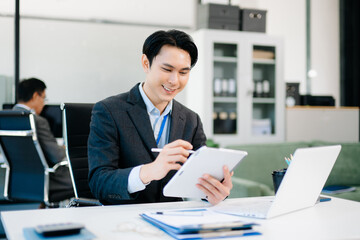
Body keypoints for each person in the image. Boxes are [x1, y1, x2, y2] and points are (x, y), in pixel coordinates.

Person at [88, 29, 233, 205]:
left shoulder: (191, 120)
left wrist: (215, 192)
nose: (174, 80)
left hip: (173, 219)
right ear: (146, 63)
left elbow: (201, 177)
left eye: (183, 72)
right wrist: (149, 171)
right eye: (167, 69)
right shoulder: (109, 111)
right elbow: (99, 182)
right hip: (124, 219)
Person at [13, 78, 74, 200]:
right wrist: (65, 149)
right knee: (89, 178)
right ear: (36, 95)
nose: (44, 103)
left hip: (19, 180)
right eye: (44, 98)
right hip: (47, 180)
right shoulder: (37, 121)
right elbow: (56, 156)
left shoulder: (8, 118)